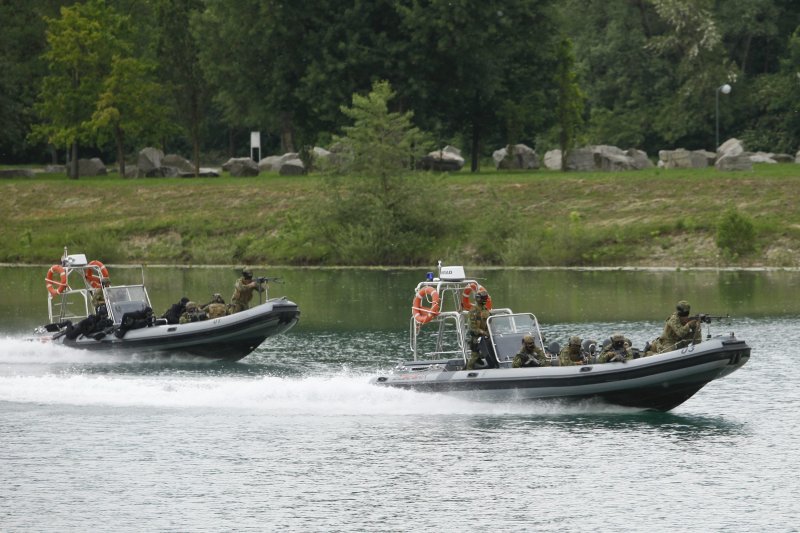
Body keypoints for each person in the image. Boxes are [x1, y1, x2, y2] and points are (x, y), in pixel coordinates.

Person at [465, 290, 497, 370]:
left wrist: (491, 332)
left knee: (494, 350)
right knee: (475, 355)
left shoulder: (485, 309)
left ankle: (494, 365)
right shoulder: (473, 311)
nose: (484, 300)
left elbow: (490, 322)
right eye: (483, 298)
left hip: (486, 336)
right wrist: (483, 332)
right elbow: (473, 327)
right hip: (477, 337)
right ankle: (468, 370)